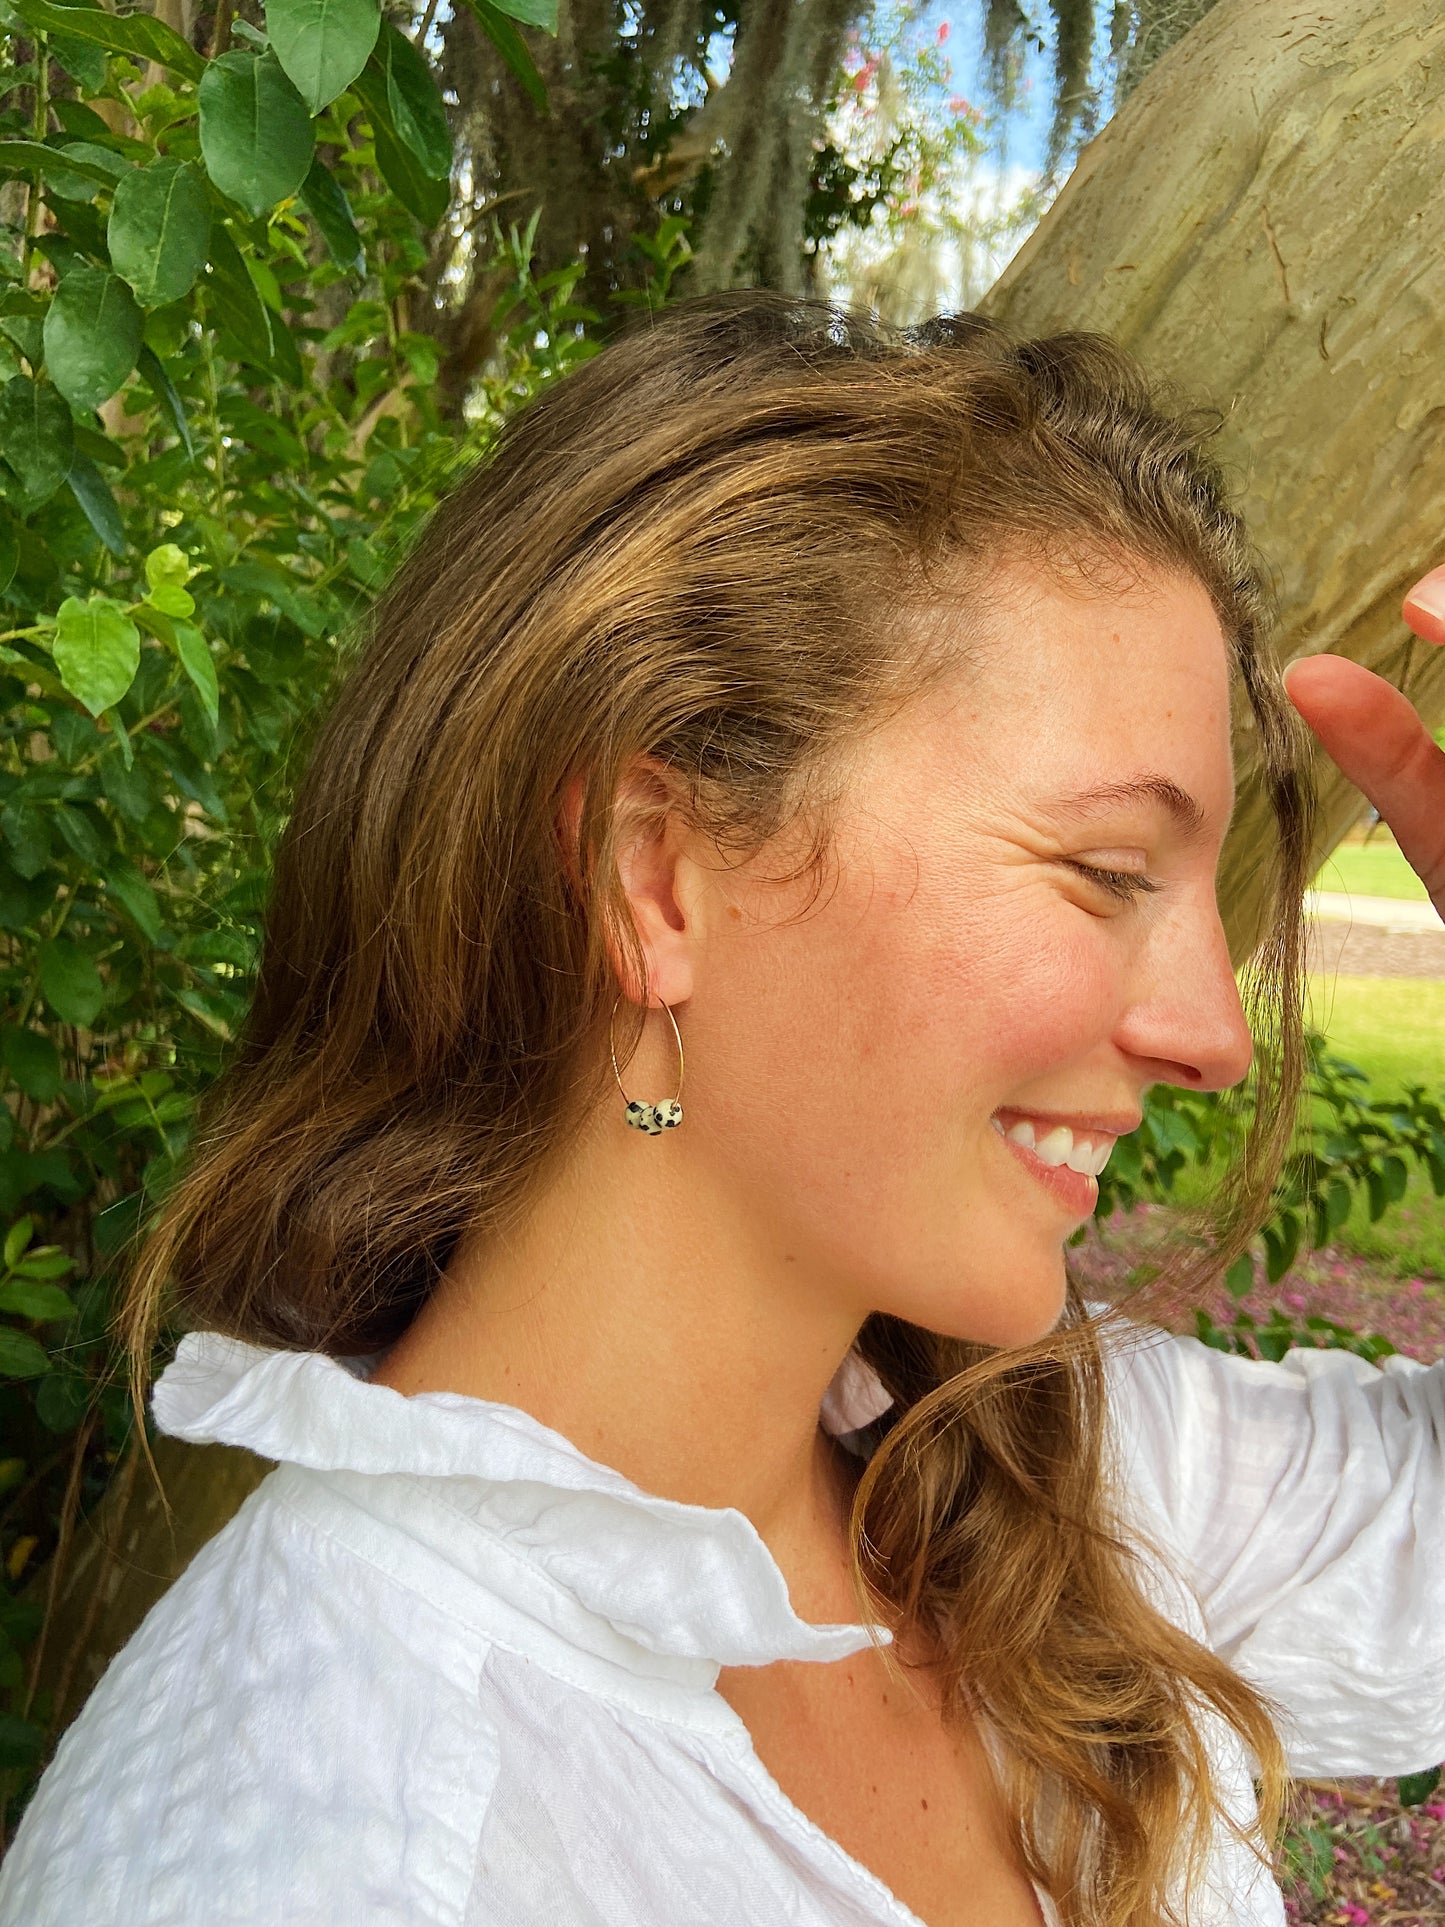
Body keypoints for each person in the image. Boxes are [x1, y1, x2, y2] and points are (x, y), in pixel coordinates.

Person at [0, 289, 1442, 1927]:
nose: (1211, 1036)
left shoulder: (1044, 1474)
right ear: (654, 876)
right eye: (1107, 871)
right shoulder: (323, 1851)